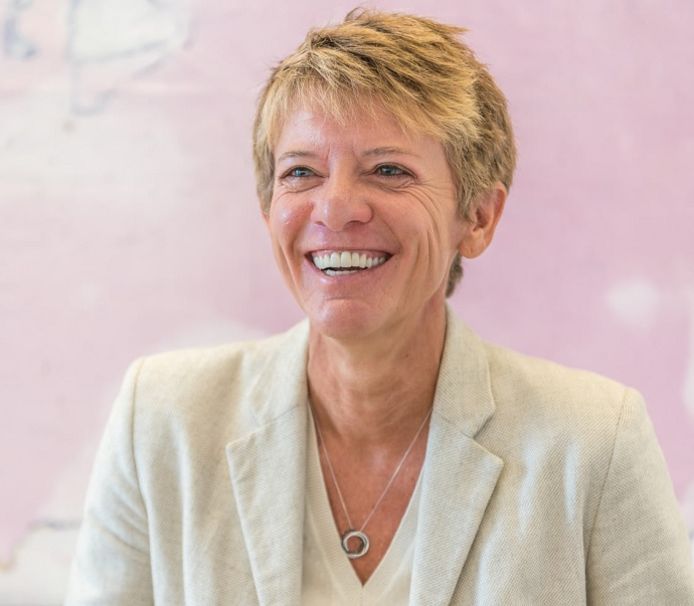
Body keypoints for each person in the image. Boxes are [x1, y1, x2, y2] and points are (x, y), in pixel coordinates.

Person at [66, 9, 694, 605]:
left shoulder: (594, 442)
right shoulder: (162, 423)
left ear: (478, 216)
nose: (336, 208)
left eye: (388, 170)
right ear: (268, 209)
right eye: (301, 172)